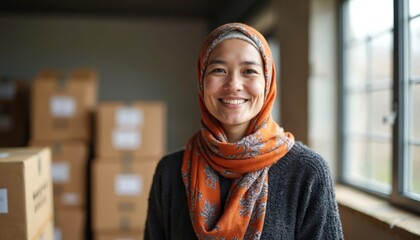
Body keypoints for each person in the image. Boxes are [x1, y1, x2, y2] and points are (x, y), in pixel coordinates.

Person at [144, 22, 343, 240]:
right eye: (219, 70)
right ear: (201, 80)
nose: (234, 84)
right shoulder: (170, 172)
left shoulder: (307, 172)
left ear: (267, 82)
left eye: (249, 71)